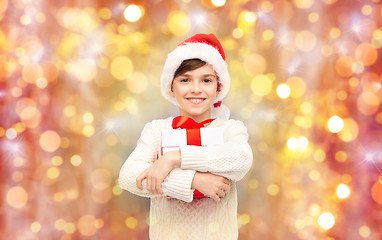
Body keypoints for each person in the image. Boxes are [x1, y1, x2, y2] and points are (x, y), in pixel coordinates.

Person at [118, 33, 253, 239]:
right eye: (185, 80)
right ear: (171, 87)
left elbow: (241, 159)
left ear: (219, 88)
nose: (196, 89)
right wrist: (193, 181)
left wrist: (172, 158)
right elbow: (129, 176)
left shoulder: (230, 129)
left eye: (206, 80)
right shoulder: (157, 130)